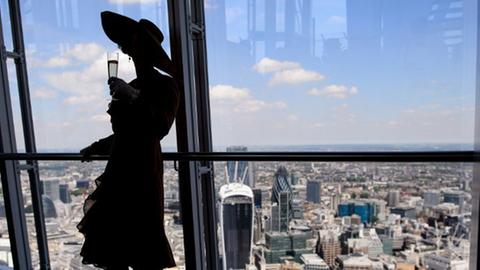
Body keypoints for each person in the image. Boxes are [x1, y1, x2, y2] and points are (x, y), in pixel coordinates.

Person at [77, 11, 179, 270]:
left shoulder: (165, 86)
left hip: (143, 172)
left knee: (139, 243)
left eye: (131, 44)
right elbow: (125, 134)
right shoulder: (137, 84)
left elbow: (160, 126)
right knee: (117, 247)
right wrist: (97, 147)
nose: (127, 49)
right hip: (124, 169)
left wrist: (133, 96)